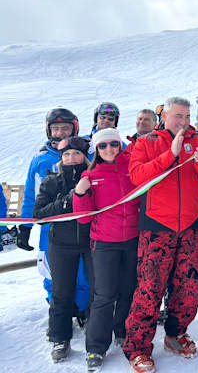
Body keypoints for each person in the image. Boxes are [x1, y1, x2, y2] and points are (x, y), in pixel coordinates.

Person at [122, 97, 198, 373]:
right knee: (150, 289)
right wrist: (171, 154)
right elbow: (137, 176)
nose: (184, 122)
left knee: (188, 288)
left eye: (187, 117)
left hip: (189, 226)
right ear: (164, 116)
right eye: (178, 116)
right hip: (156, 226)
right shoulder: (147, 142)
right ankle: (138, 348)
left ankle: (176, 334)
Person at [73, 128, 139, 372]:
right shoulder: (91, 174)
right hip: (104, 243)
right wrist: (80, 192)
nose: (110, 149)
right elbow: (82, 218)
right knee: (104, 295)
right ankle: (96, 347)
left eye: (114, 144)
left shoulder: (131, 166)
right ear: (97, 150)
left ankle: (121, 330)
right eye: (104, 146)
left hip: (132, 239)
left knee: (128, 289)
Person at [19, 108, 91, 325]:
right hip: (50, 228)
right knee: (52, 274)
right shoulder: (41, 159)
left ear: (74, 129)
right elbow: (31, 195)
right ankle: (59, 313)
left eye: (65, 128)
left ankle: (82, 310)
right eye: (55, 128)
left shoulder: (84, 154)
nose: (60, 133)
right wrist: (25, 227)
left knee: (83, 274)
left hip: (81, 227)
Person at [33, 136, 94, 363]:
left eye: (76, 154)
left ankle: (95, 331)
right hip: (61, 243)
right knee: (61, 291)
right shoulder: (52, 182)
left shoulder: (94, 179)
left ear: (84, 157)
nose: (71, 158)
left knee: (97, 288)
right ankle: (60, 336)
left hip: (91, 242)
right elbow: (40, 214)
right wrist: (68, 199)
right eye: (66, 154)